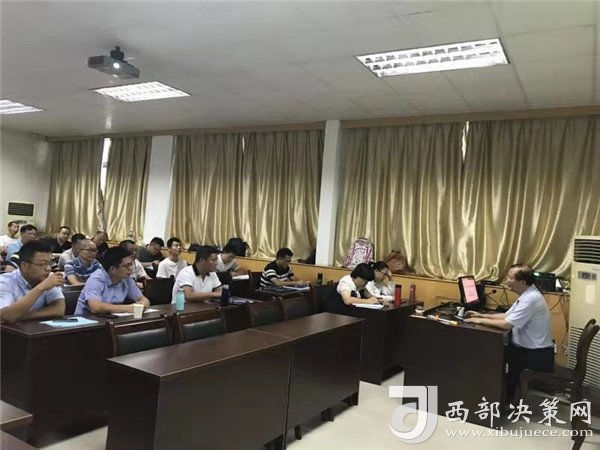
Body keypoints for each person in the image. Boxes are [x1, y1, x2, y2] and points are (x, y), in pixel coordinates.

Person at [465, 263, 554, 400]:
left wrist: (478, 321)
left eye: (510, 278)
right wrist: (481, 315)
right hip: (528, 351)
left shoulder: (530, 299)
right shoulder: (528, 294)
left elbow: (506, 324)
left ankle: (499, 400)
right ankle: (497, 397)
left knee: (493, 360)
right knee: (495, 357)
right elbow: (507, 316)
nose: (507, 281)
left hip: (534, 357)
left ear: (522, 281)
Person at [0, 241, 65, 323]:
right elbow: (6, 316)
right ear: (24, 265)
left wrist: (20, 316)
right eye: (42, 264)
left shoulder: (49, 278)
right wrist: (41, 287)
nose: (48, 268)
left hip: (37, 329)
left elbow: (59, 309)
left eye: (50, 263)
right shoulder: (4, 282)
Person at [74, 246, 150, 315]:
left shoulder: (127, 279)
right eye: (127, 265)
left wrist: (143, 304)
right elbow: (95, 307)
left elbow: (143, 299)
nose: (131, 268)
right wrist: (129, 308)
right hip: (87, 320)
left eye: (131, 264)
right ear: (113, 269)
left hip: (112, 319)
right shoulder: (97, 279)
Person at [324, 263, 388, 314]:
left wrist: (380, 300)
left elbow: (369, 295)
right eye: (365, 281)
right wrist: (368, 301)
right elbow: (348, 300)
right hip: (336, 314)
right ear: (358, 276)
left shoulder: (360, 285)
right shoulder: (345, 282)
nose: (366, 283)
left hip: (350, 313)